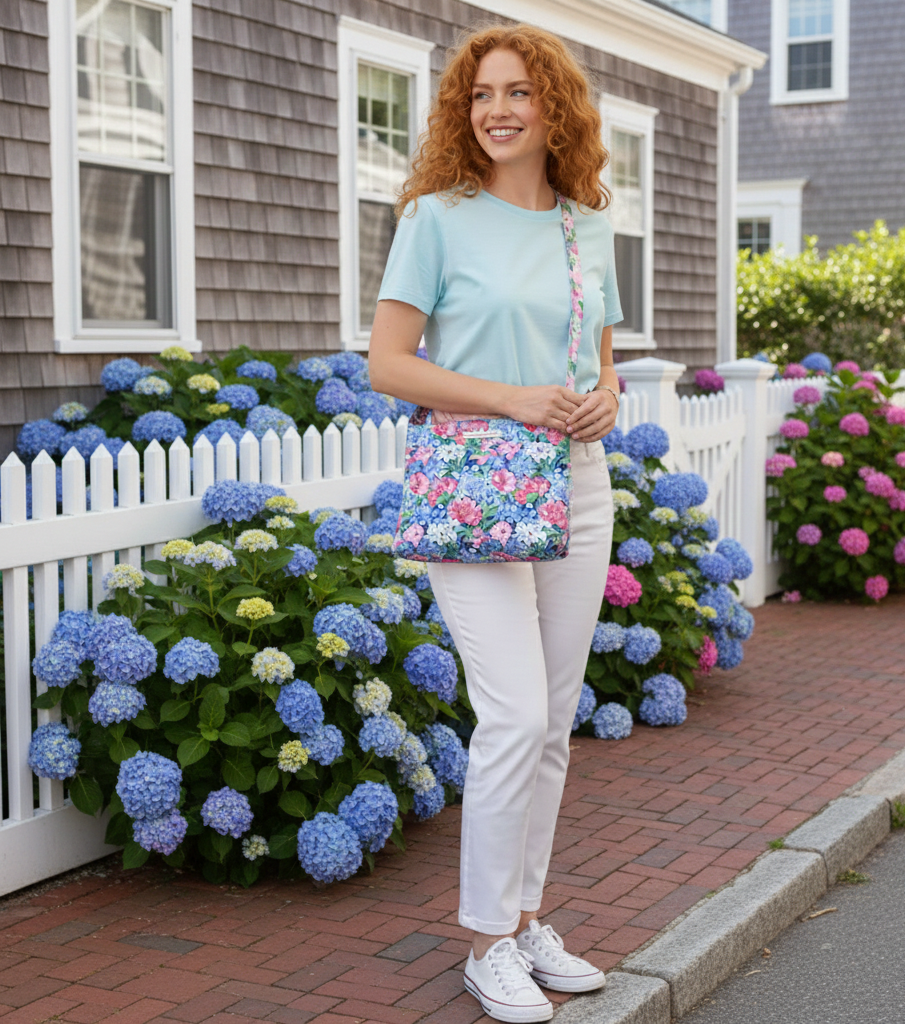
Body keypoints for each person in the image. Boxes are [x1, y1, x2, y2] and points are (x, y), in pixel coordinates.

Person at [368, 23, 622, 1023]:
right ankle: (484, 943)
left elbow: (594, 357)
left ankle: (524, 921)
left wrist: (603, 394)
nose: (497, 109)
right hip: (476, 483)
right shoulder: (435, 216)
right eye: (480, 95)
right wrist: (511, 399)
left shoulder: (586, 224)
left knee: (551, 721)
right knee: (512, 710)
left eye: (518, 91)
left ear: (555, 107)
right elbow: (388, 364)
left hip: (579, 480)